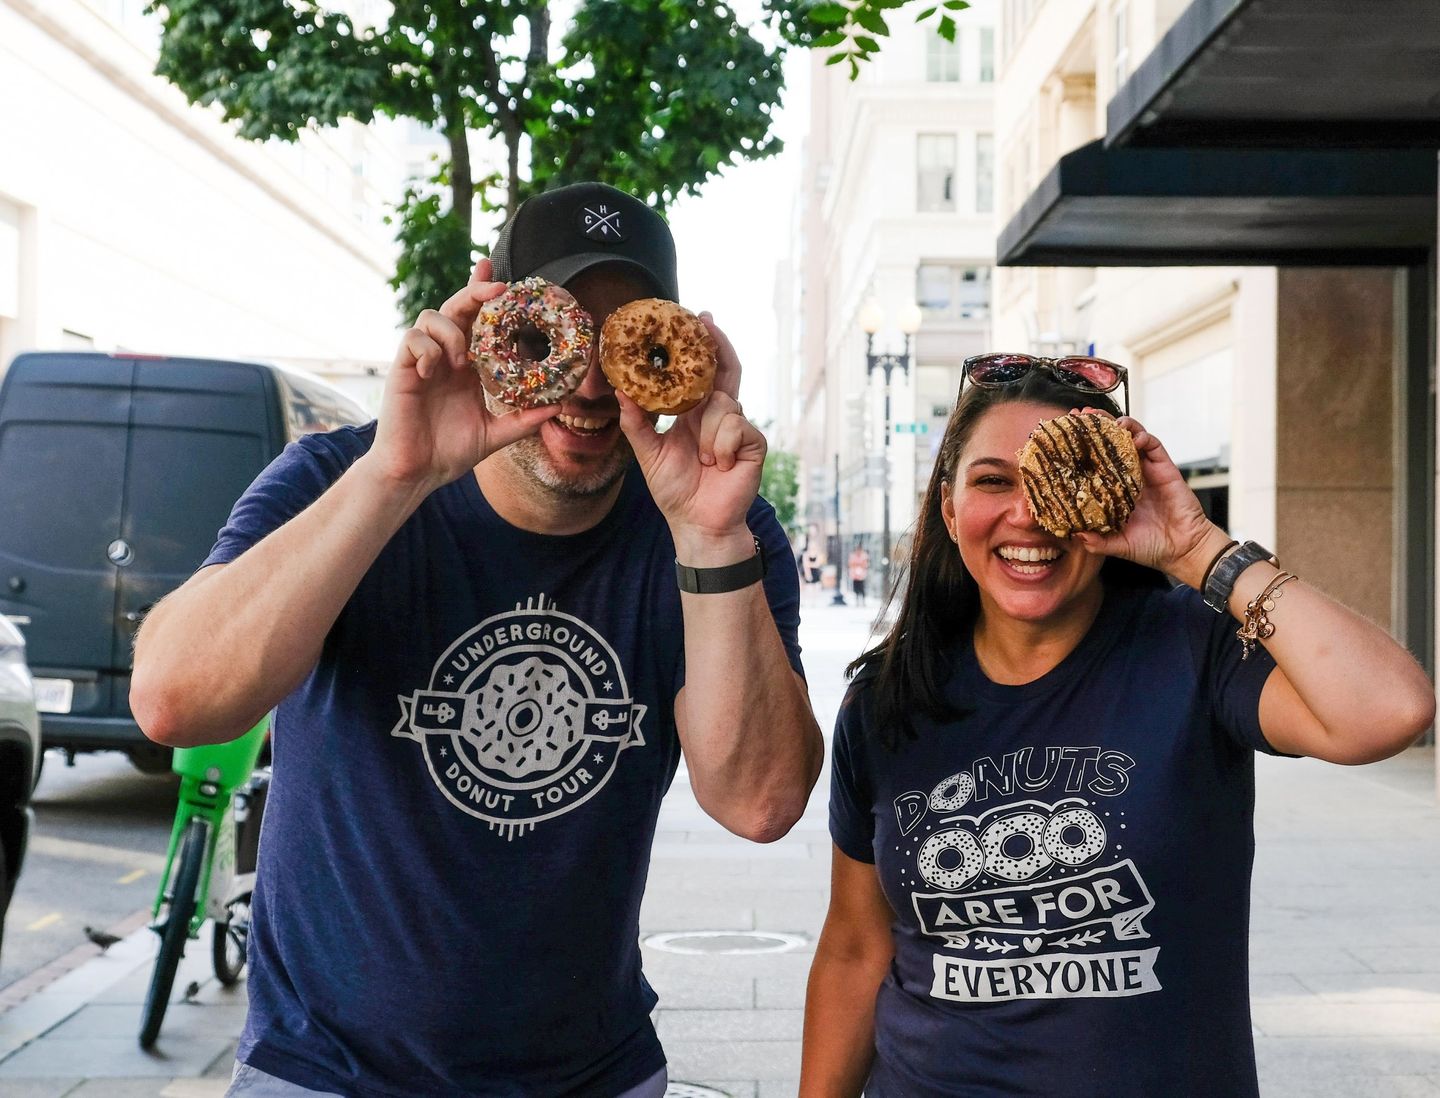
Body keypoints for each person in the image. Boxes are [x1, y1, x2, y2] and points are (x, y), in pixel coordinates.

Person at [130, 181, 824, 1098]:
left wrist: (709, 538)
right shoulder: (342, 477)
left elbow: (760, 802)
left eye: (619, 341)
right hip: (323, 1070)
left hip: (589, 1074)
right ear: (496, 318)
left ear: (669, 347)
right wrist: (399, 474)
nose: (585, 384)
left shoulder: (714, 527)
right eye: (553, 334)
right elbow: (174, 701)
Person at [798, 355, 1435, 1097]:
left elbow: (1391, 710)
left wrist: (1202, 551)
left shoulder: (1193, 651)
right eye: (994, 480)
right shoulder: (885, 699)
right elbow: (854, 948)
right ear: (949, 506)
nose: (1029, 514)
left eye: (1054, 484)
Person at [847, 541, 871, 607]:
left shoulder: (864, 556)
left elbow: (865, 564)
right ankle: (857, 601)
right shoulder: (852, 556)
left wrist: (858, 564)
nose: (858, 551)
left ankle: (863, 601)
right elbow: (851, 564)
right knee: (856, 589)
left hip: (862, 576)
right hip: (855, 576)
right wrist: (858, 564)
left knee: (862, 589)